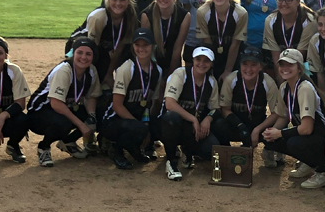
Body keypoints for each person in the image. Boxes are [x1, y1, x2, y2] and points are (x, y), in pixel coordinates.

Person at [262, 49, 325, 188]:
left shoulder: (305, 88)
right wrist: (273, 132)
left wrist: (280, 133)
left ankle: (324, 171)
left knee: (294, 143)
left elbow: (307, 129)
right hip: (308, 135)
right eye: (282, 64)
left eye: (290, 64)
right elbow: (283, 116)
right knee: (270, 141)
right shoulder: (284, 87)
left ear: (299, 68)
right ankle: (309, 162)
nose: (285, 68)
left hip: (323, 137)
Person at [28, 38, 102, 167]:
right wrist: (81, 125)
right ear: (73, 53)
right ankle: (43, 148)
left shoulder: (91, 71)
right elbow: (56, 103)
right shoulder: (64, 70)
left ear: (93, 56)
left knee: (98, 114)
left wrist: (92, 117)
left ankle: (68, 142)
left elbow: (91, 97)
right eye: (80, 52)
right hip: (39, 112)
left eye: (88, 54)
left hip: (64, 108)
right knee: (64, 123)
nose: (83, 57)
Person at [99, 28, 163, 169]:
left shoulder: (157, 71)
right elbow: (117, 105)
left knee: (158, 127)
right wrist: (141, 128)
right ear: (133, 47)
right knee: (139, 129)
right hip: (113, 121)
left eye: (145, 45)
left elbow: (150, 103)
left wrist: (146, 125)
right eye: (137, 45)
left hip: (135, 119)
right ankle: (116, 149)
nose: (141, 49)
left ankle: (133, 147)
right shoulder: (127, 68)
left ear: (153, 46)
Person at [159, 47, 221, 181]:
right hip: (175, 125)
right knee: (172, 117)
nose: (201, 64)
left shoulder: (211, 82)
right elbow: (170, 103)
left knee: (210, 149)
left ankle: (188, 151)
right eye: (198, 59)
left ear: (211, 64)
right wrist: (193, 119)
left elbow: (215, 108)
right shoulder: (181, 74)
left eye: (206, 61)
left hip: (194, 128)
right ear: (192, 60)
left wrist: (208, 119)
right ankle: (171, 161)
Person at [211, 46, 279, 149]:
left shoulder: (268, 82)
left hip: (258, 125)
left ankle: (270, 151)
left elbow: (275, 113)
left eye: (253, 65)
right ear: (240, 65)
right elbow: (225, 109)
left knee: (279, 127)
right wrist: (240, 126)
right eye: (245, 64)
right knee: (218, 124)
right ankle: (225, 151)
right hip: (237, 125)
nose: (248, 69)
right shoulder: (231, 80)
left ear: (260, 67)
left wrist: (257, 129)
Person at [196, 0, 247, 82]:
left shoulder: (240, 13)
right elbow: (207, 43)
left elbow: (235, 45)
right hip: (211, 54)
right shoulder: (203, 12)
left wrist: (228, 71)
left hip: (233, 57)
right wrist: (211, 70)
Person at [262, 0, 317, 84]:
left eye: (288, 0)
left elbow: (299, 57)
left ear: (298, 1)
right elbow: (276, 58)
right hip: (281, 65)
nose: (283, 4)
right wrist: (281, 82)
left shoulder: (308, 21)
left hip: (303, 66)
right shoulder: (270, 21)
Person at [140, 0, 190, 76]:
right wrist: (154, 74)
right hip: (152, 64)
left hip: (173, 64)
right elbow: (146, 47)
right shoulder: (146, 15)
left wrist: (170, 76)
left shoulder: (184, 16)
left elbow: (177, 48)